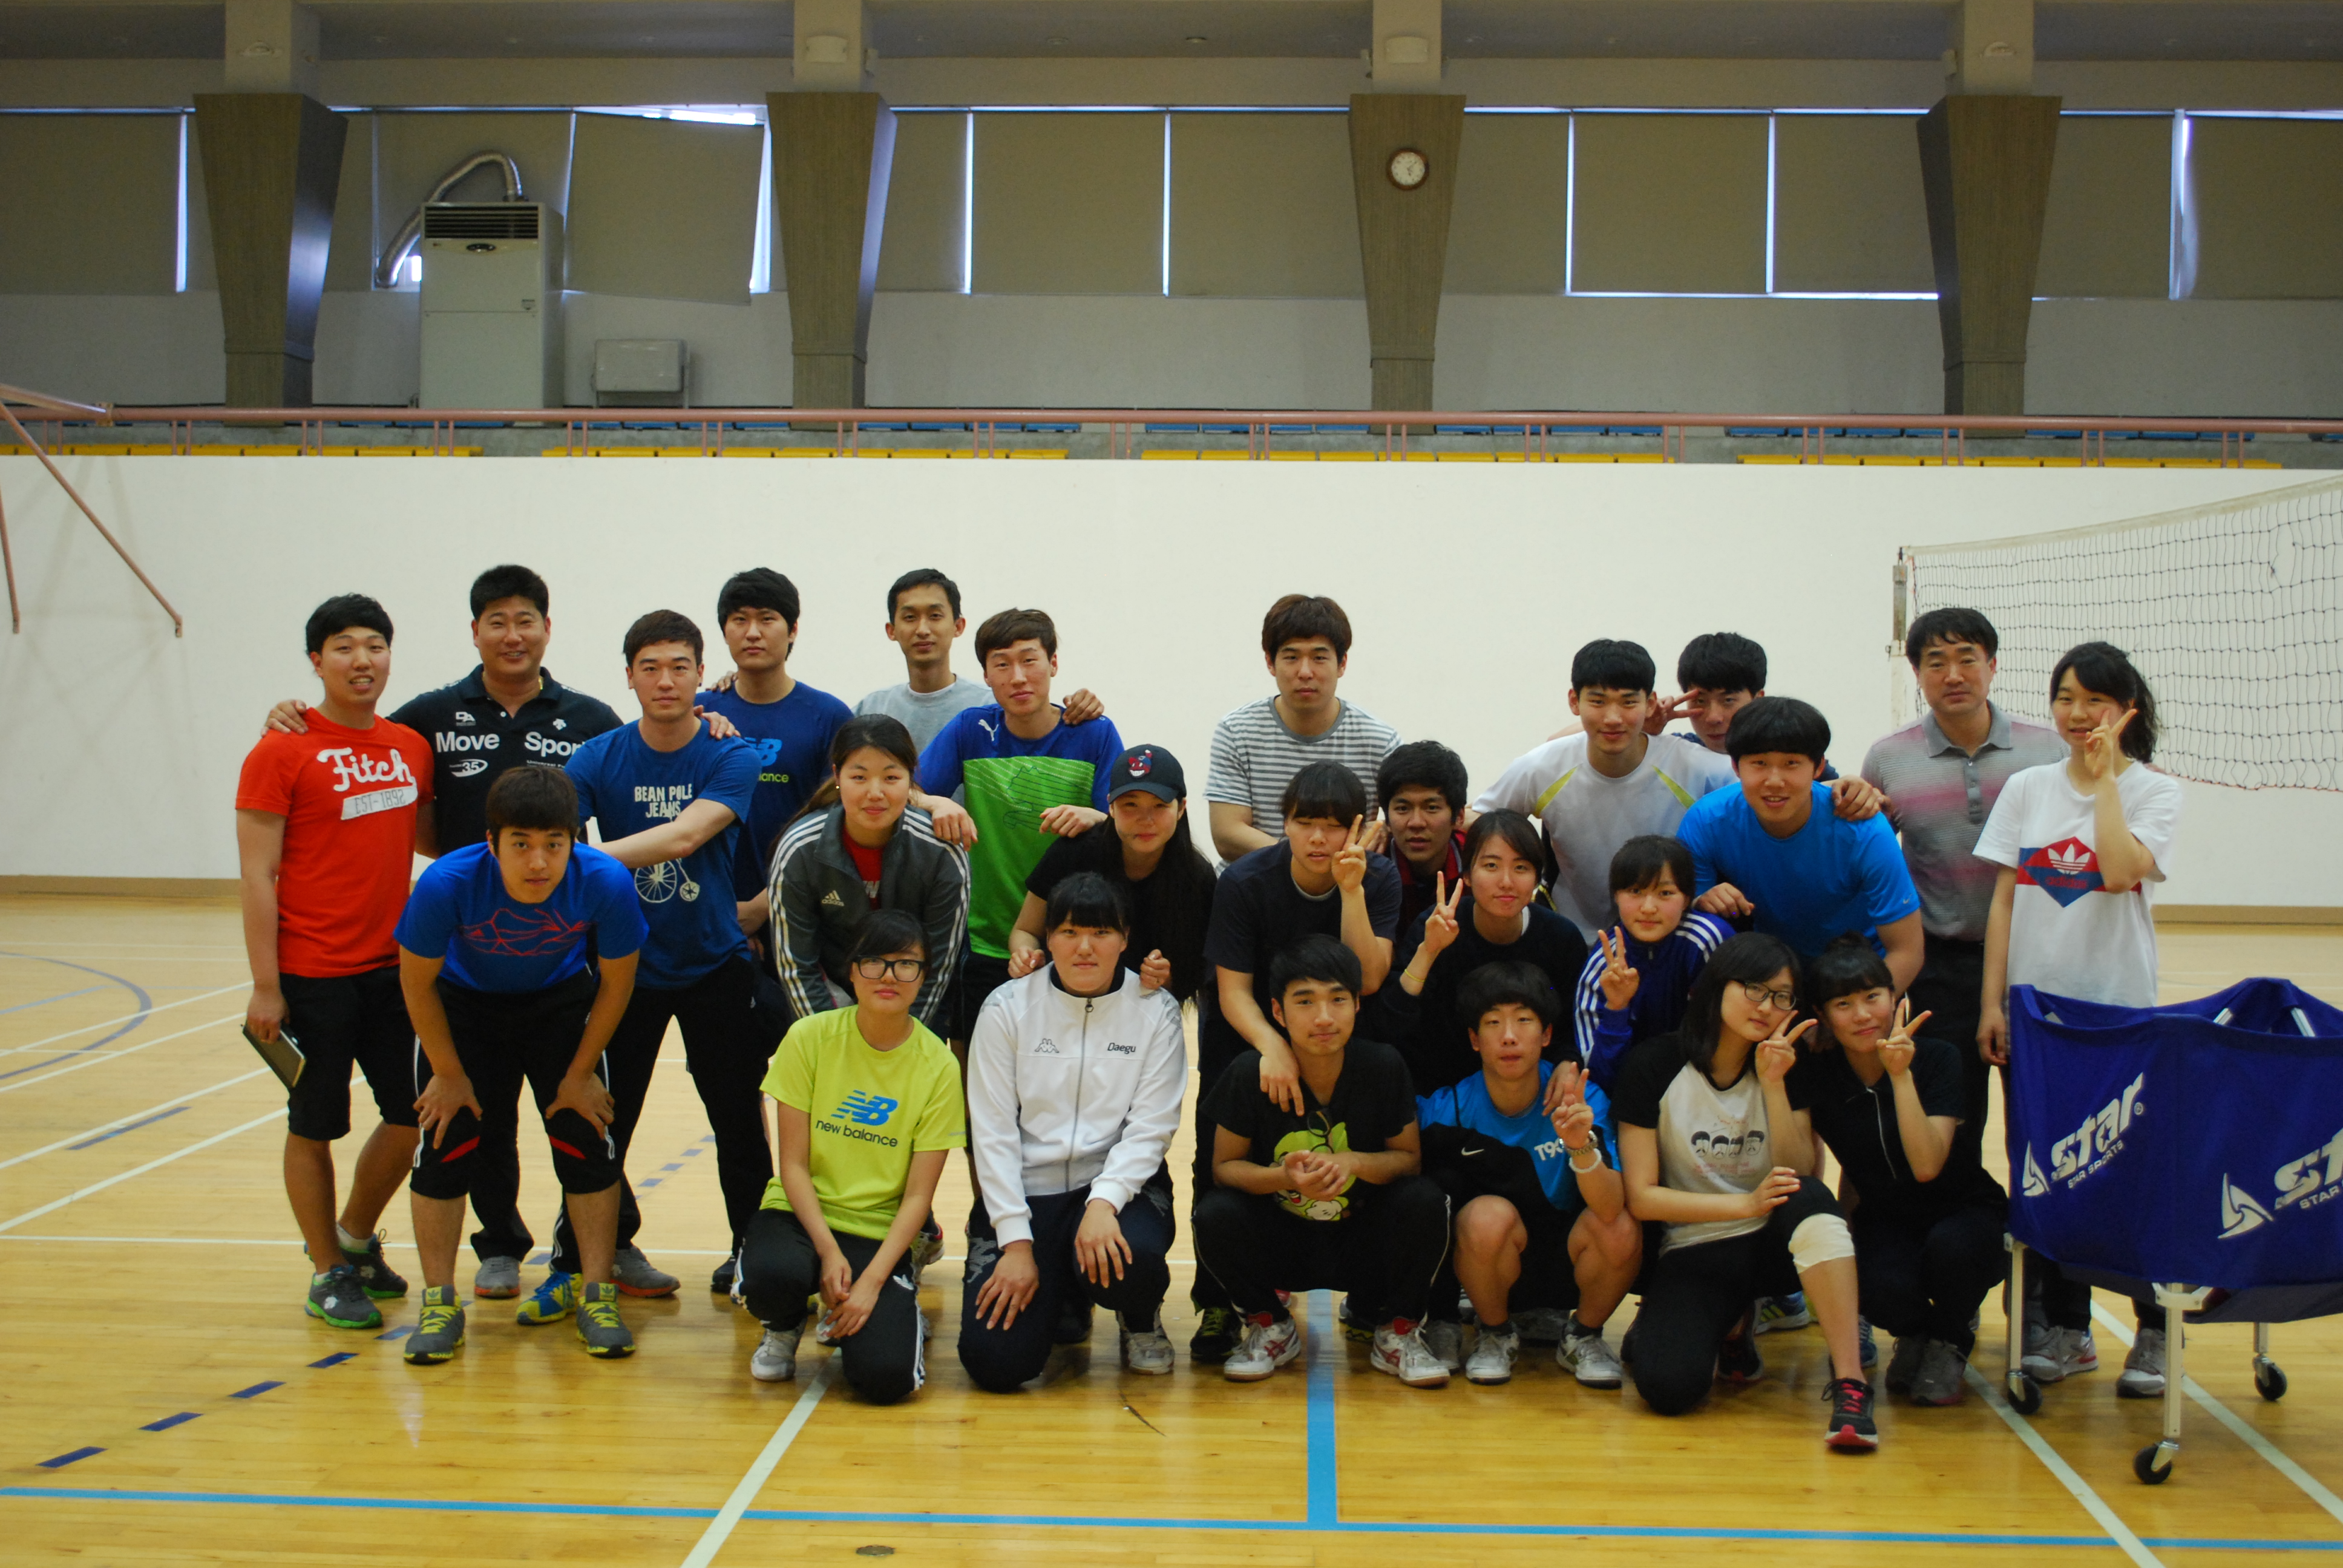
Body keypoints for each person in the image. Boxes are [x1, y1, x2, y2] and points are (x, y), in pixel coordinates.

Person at [262, 564, 636, 1302]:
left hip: (557, 954)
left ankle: (596, 1252)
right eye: (496, 621)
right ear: (475, 632)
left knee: (580, 1109)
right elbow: (371, 747)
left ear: (547, 629)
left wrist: (715, 713)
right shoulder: (427, 719)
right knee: (471, 1116)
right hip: (457, 954)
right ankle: (496, 1245)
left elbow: (643, 758)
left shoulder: (591, 718)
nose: (512, 634)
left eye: (525, 620)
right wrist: (290, 713)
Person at [1975, 641, 2181, 1397]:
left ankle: (2154, 1333)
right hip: (2036, 1016)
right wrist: (1993, 1002)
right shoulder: (2026, 787)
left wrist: (2103, 785)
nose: (2077, 713)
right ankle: (2066, 1331)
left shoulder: (2154, 791)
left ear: (2127, 709)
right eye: (2064, 698)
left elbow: (2121, 872)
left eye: (2094, 700)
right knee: (2045, 1171)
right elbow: (2004, 899)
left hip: (2118, 1013)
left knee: (2127, 1171)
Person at [556, 609, 775, 1310]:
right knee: (604, 1118)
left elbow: (684, 837)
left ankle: (752, 1253)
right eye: (649, 667)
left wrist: (577, 860)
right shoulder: (596, 758)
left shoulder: (731, 754)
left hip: (714, 963)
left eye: (679, 666)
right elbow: (553, 831)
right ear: (628, 676)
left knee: (737, 1120)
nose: (665, 680)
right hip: (625, 969)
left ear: (700, 674)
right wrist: (563, 856)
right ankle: (587, 1253)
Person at [394, 765, 649, 1364]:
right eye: (521, 845)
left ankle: (597, 1296)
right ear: (492, 843)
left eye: (554, 845)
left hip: (557, 1006)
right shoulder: (445, 883)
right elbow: (416, 984)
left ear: (574, 841)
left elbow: (617, 985)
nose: (539, 862)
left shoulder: (606, 881)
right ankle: (439, 1303)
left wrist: (580, 1073)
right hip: (463, 1009)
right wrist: (448, 1074)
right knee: (445, 1144)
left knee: (587, 1142)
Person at [235, 593, 431, 1330]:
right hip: (312, 975)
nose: (362, 660)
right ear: (316, 662)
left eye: (374, 645)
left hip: (393, 970)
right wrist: (266, 986)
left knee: (414, 1116)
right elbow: (257, 875)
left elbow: (425, 838)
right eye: (344, 647)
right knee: (314, 1124)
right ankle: (326, 1272)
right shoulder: (280, 750)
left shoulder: (409, 746)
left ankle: (352, 1238)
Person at [1611, 933, 1878, 1448]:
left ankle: (1850, 1383)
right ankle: (1732, 1323)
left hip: (1772, 1240)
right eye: (1754, 989)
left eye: (1781, 996)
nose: (1766, 1006)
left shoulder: (1789, 1064)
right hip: (1694, 1244)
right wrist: (1743, 1203)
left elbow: (1799, 1169)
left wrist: (1774, 1084)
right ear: (1718, 986)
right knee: (1668, 1388)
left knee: (1812, 1200)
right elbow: (1641, 1198)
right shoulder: (1654, 1065)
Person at [1189, 761, 1403, 1363]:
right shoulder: (1245, 880)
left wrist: (1352, 890)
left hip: (1339, 1038)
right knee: (1217, 1165)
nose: (1318, 838)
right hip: (1251, 1035)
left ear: (1358, 829)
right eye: (1305, 822)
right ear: (1283, 823)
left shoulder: (1378, 877)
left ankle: (1370, 1297)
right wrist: (1273, 1046)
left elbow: (1368, 978)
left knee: (1359, 1163)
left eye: (1334, 826)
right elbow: (1232, 991)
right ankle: (1219, 1302)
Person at [960, 874, 1188, 1388]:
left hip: (1113, 1189)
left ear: (1125, 939)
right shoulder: (1006, 1007)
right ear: (1048, 938)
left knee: (1133, 1260)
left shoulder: (1156, 1010)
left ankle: (1138, 1316)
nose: (1085, 948)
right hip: (1029, 1192)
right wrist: (1016, 1243)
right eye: (1069, 932)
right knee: (997, 1364)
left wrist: (1104, 1202)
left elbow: (1152, 1127)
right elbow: (991, 1132)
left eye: (1101, 933)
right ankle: (1062, 1288)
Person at [1193, 936, 1452, 1387]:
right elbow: (1224, 1169)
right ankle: (1269, 1325)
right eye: (1306, 1001)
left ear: (1357, 1005)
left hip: (1361, 1241)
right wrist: (1283, 1178)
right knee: (1214, 1214)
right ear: (1278, 1012)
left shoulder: (1383, 1066)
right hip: (1283, 1243)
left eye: (1338, 1000)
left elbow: (1409, 1160)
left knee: (1426, 1201)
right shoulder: (1248, 1073)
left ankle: (1399, 1332)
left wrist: (1353, 1163)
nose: (1324, 1017)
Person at [1861, 607, 2063, 1170]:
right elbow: (1869, 857)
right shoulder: (1889, 757)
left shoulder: (2048, 751)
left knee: (2043, 1115)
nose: (1953, 675)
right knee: (1955, 1116)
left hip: (2035, 962)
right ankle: (1964, 1216)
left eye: (1966, 659)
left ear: (1993, 666)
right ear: (1917, 674)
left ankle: (2037, 1217)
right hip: (1939, 967)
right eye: (1936, 663)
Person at [740, 910, 962, 1402]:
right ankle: (783, 1324)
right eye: (874, 962)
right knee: (772, 1275)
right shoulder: (809, 1038)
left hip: (877, 1226)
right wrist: (827, 1250)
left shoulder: (940, 1066)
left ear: (924, 976)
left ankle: (883, 1307)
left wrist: (871, 1283)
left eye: (906, 964)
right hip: (802, 1214)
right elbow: (792, 1166)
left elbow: (918, 1196)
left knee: (886, 1379)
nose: (889, 976)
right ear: (852, 970)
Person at [1797, 936, 2008, 1406]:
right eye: (1843, 1005)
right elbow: (1796, 1164)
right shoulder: (1819, 1072)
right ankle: (1921, 1334)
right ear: (1822, 1015)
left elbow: (1928, 1165)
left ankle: (1951, 1338)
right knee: (1878, 1290)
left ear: (1895, 998)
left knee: (1953, 1252)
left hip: (1964, 1208)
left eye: (1873, 997)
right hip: (1887, 1216)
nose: (1862, 1015)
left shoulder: (1938, 1058)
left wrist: (1900, 1076)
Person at [1415, 962, 1640, 1386]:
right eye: (1493, 1023)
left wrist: (1580, 1145)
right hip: (1494, 1268)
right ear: (1474, 1040)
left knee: (1620, 1227)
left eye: (1523, 1021)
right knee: (1483, 1216)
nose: (1509, 1036)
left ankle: (1582, 1336)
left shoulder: (1583, 1097)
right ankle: (1495, 1333)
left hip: (1572, 1263)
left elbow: (1611, 1207)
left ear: (1547, 1035)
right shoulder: (1451, 1108)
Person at [913, 607, 1126, 1043]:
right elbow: (905, 790)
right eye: (1002, 664)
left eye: (1030, 660)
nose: (1018, 677)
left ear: (1053, 664)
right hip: (985, 938)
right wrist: (936, 802)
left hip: (1076, 938)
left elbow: (1128, 824)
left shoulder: (1095, 734)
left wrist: (1099, 817)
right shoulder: (971, 730)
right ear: (986, 676)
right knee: (976, 1061)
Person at [1476, 639, 1734, 939]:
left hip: (1670, 939)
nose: (1613, 718)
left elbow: (1759, 799)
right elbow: (1479, 820)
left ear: (1651, 704)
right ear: (1575, 702)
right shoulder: (1542, 766)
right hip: (1569, 939)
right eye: (1598, 702)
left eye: (1628, 702)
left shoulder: (1696, 766)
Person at [1680, 697, 1925, 993]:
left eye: (1791, 764)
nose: (1774, 781)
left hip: (1861, 974)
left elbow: (1906, 951)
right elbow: (1691, 925)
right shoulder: (1707, 821)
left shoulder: (1863, 829)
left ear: (1818, 767)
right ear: (1735, 765)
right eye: (1759, 764)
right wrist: (1703, 900)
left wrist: (1860, 1012)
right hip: (1770, 978)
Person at [769, 714, 971, 1033]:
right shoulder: (800, 849)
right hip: (828, 1005)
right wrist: (830, 1041)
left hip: (911, 1007)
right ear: (837, 776)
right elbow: (797, 966)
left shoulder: (942, 854)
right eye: (859, 777)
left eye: (891, 778)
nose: (875, 793)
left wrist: (900, 1040)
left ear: (910, 778)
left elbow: (938, 967)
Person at [1372, 809, 1590, 1096]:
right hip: (1442, 1092)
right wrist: (1428, 952)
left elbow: (1571, 1027)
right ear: (1467, 875)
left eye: (1521, 868)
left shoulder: (1560, 939)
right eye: (1491, 866)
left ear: (1537, 877)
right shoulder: (1436, 926)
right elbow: (1392, 1025)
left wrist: (1567, 1061)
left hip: (1532, 1089)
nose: (1506, 881)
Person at [694, 569, 853, 929]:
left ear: (793, 630)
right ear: (724, 631)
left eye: (767, 619)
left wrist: (762, 906)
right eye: (740, 620)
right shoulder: (701, 712)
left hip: (803, 911)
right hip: (708, 913)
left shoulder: (829, 716)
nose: (753, 633)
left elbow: (837, 825)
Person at [1008, 743, 1217, 1005]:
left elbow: (1198, 971)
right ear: (1111, 807)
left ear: (1181, 808)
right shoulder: (1074, 852)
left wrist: (1166, 979)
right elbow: (1025, 930)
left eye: (1160, 806)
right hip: (1062, 1002)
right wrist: (1026, 955)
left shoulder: (1198, 877)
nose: (1146, 819)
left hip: (1145, 1011)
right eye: (1131, 805)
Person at [1206, 593, 1400, 863]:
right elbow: (1228, 834)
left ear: (1342, 664)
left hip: (1343, 881)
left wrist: (1384, 830)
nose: (1305, 672)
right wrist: (1307, 863)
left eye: (1319, 657)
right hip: (1253, 882)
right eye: (1291, 657)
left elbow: (1399, 824)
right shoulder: (1237, 732)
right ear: (1270, 663)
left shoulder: (1380, 741)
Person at [856, 568, 1104, 756]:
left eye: (935, 616)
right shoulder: (871, 710)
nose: (923, 630)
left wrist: (1082, 707)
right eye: (910, 617)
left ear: (958, 626)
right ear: (891, 630)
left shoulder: (994, 705)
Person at [1574, 835, 1733, 1094]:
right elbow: (1596, 1078)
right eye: (1635, 892)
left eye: (1665, 893)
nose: (1648, 908)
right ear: (1616, 896)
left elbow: (1733, 1032)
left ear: (1687, 899)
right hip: (1632, 1092)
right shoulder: (1603, 967)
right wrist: (1616, 1008)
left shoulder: (1709, 940)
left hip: (1708, 1085)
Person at [1376, 741, 1469, 929]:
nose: (1416, 823)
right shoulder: (1368, 870)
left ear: (1459, 817)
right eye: (1403, 809)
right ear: (1387, 820)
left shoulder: (1477, 862)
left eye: (1432, 808)